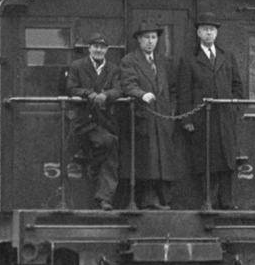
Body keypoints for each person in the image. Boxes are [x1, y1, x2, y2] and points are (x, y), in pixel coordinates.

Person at [178, 19, 246, 208]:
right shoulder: (189, 59)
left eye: (212, 30)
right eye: (205, 29)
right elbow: (184, 91)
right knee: (206, 160)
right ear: (198, 33)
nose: (209, 33)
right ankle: (208, 201)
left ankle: (227, 202)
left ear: (216, 33)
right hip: (202, 118)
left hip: (225, 118)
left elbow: (237, 86)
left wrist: (233, 108)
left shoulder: (227, 56)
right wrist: (186, 119)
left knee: (227, 160)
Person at [116, 22, 179, 210]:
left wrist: (172, 110)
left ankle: (165, 199)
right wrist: (142, 94)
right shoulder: (130, 60)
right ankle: (148, 201)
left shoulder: (162, 61)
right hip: (142, 116)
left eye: (153, 37)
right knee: (147, 160)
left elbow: (172, 89)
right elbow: (128, 85)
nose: (150, 41)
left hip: (163, 117)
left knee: (163, 159)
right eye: (146, 38)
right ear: (138, 40)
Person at [61, 36, 121, 208]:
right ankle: (92, 170)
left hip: (105, 121)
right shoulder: (77, 66)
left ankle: (105, 198)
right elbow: (71, 88)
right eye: (95, 47)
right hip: (83, 121)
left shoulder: (113, 69)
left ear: (107, 50)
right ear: (89, 48)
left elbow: (119, 89)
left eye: (102, 47)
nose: (99, 50)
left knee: (110, 151)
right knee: (108, 142)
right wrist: (89, 94)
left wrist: (106, 95)